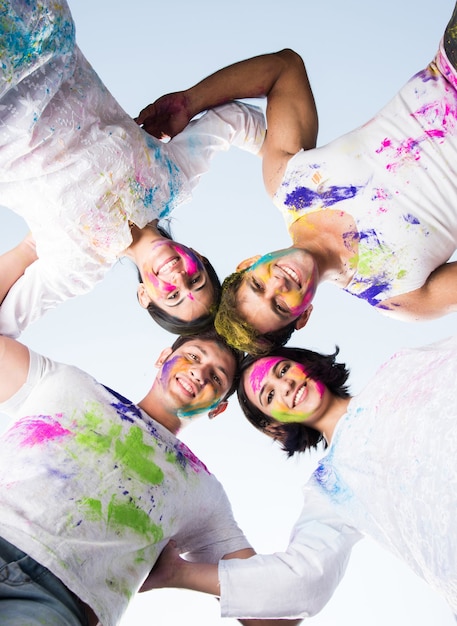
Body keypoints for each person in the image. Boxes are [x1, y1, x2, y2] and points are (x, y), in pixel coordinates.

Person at [137, 3, 457, 353]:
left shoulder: (287, 183)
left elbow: (284, 69)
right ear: (302, 317)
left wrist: (190, 101)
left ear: (248, 264)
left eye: (258, 286)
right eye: (279, 306)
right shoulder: (398, 298)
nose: (278, 284)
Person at [0, 303, 304, 626]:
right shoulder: (65, 381)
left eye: (216, 377)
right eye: (194, 356)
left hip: (56, 602)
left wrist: (180, 574)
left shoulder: (203, 491)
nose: (200, 373)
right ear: (162, 358)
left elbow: (277, 615)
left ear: (218, 409)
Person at [140, 335, 457, 620]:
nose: (286, 387)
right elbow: (301, 582)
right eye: (269, 396)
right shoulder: (332, 489)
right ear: (274, 426)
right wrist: (177, 573)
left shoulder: (400, 370)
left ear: (304, 364)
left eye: (282, 371)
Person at [0, 0, 265, 339]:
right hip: (33, 29)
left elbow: (6, 323)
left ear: (144, 297)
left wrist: (28, 251)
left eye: (172, 295)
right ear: (198, 256)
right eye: (195, 279)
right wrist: (289, 178)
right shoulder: (173, 179)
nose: (178, 277)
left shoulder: (80, 266)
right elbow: (236, 121)